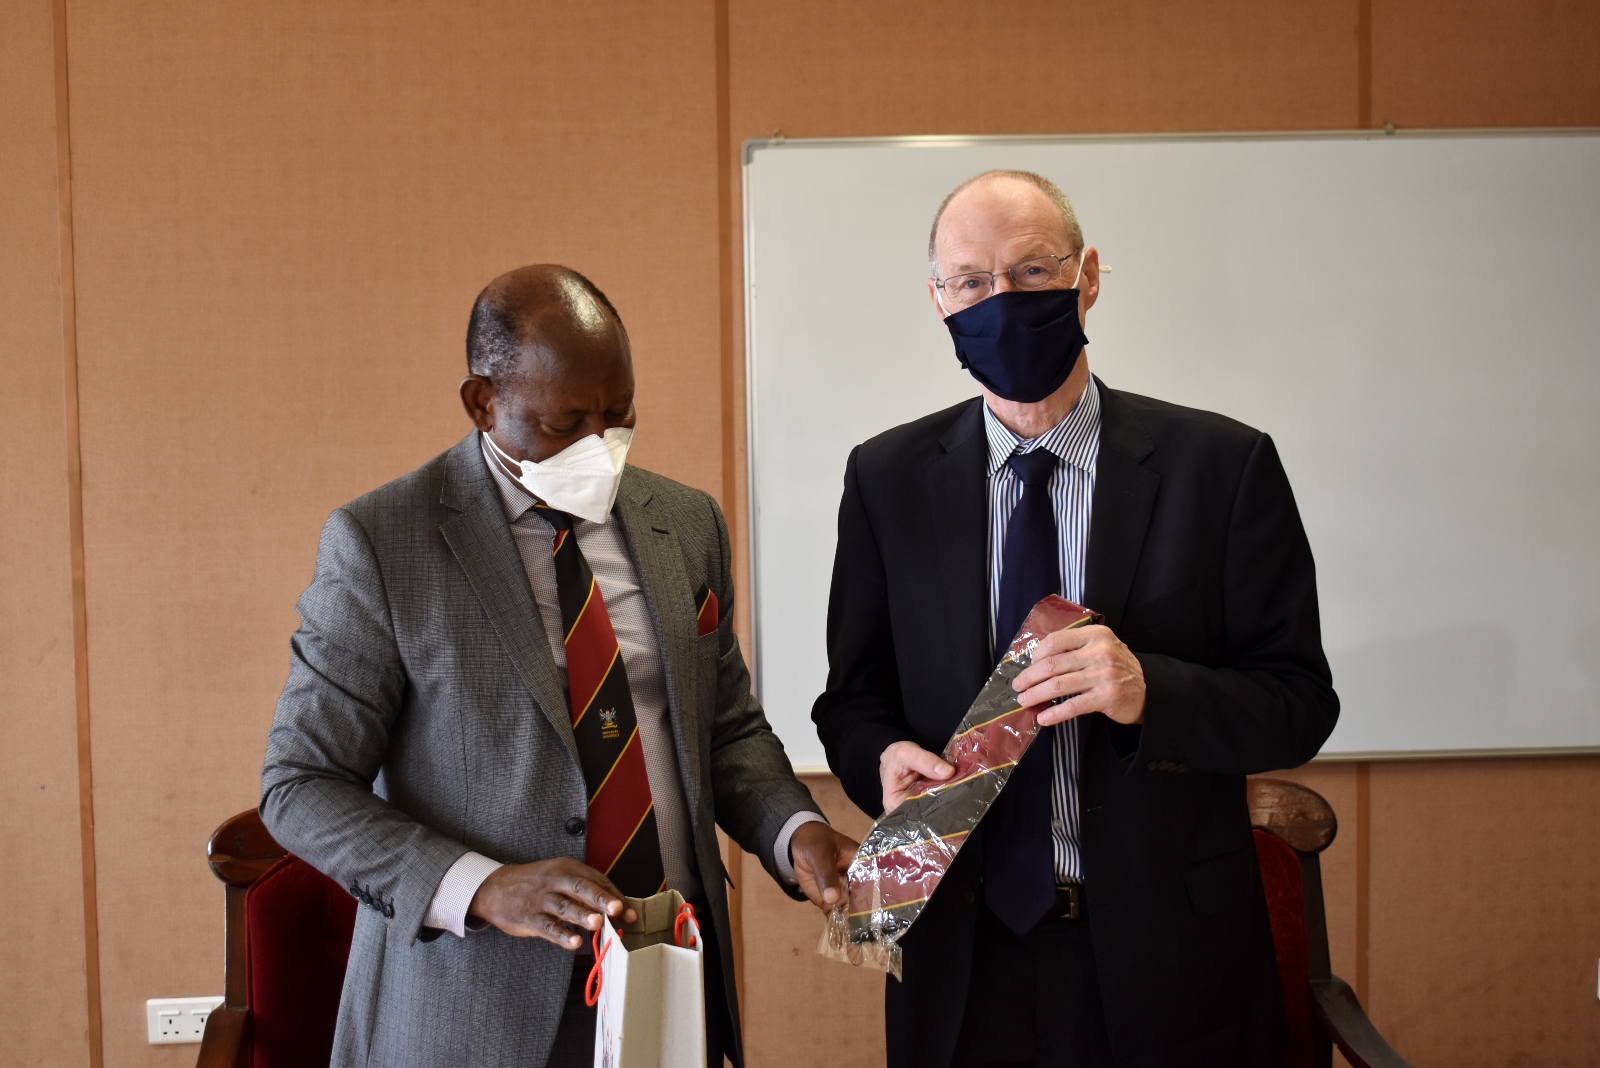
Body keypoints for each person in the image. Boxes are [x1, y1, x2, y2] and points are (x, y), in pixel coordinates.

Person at [261, 264, 858, 1068]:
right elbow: (300, 787)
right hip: (473, 1012)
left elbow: (723, 728)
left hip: (669, 988)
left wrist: (795, 830)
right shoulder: (382, 543)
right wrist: (482, 885)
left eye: (618, 417)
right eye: (564, 422)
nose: (597, 446)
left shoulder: (683, 522)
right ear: (482, 402)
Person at [812, 171, 1339, 1067]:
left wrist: (1149, 691)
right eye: (971, 282)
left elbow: (1298, 703)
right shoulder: (887, 479)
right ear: (938, 300)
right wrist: (879, 760)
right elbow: (852, 702)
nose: (1000, 301)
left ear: (1087, 276)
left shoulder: (1223, 466)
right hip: (959, 959)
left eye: (1030, 272)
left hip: (1168, 961)